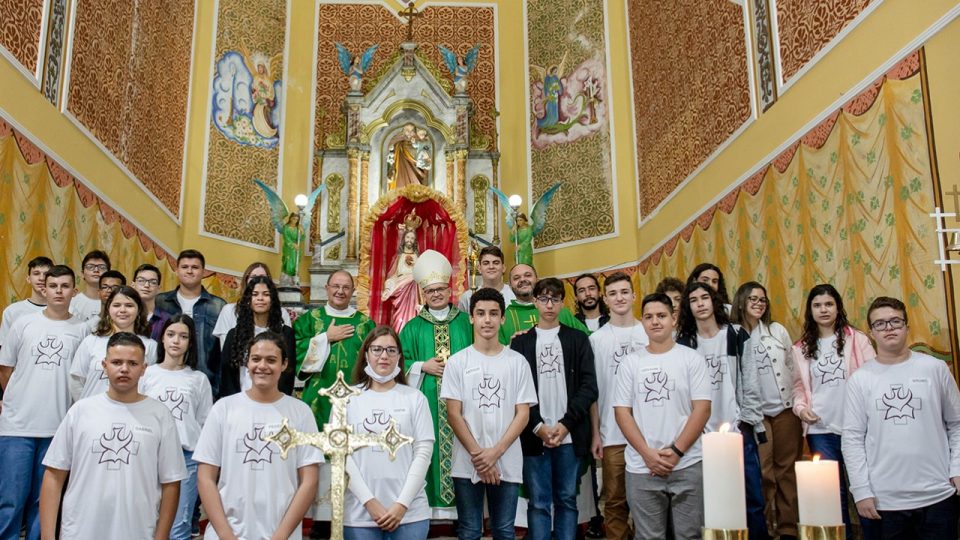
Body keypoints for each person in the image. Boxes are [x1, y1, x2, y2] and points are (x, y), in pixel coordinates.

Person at [39, 332, 187, 540]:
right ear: (104, 365)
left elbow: (171, 483)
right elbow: (54, 476)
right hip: (80, 531)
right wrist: (47, 537)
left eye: (133, 363)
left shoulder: (160, 415)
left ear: (144, 369)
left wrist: (161, 536)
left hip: (137, 531)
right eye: (117, 362)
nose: (124, 369)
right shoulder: (81, 411)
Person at [843, 297, 960, 540]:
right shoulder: (860, 380)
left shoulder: (935, 369)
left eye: (895, 321)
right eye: (880, 324)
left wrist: (958, 468)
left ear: (907, 326)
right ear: (871, 333)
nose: (889, 328)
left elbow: (957, 423)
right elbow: (852, 439)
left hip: (938, 495)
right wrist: (861, 491)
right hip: (884, 501)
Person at [195, 332, 323, 540]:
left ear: (284, 364)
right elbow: (205, 477)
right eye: (256, 359)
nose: (262, 366)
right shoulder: (224, 408)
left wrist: (280, 536)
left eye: (271, 360)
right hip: (227, 532)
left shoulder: (300, 412)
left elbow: (309, 481)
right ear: (247, 362)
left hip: (282, 533)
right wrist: (226, 535)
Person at [441, 288, 538, 540]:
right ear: (471, 317)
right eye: (481, 313)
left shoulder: (517, 362)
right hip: (467, 461)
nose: (487, 320)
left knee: (505, 531)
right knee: (470, 530)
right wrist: (479, 456)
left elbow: (523, 414)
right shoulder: (457, 362)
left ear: (503, 318)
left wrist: (494, 453)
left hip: (506, 459)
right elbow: (454, 414)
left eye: (494, 314)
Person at [613, 292, 711, 540]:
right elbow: (622, 412)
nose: (655, 321)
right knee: (648, 536)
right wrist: (648, 454)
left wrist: (677, 452)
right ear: (642, 322)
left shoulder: (691, 359)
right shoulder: (630, 363)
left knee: (689, 535)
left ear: (674, 318)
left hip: (687, 461)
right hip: (642, 466)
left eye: (661, 316)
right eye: (648, 317)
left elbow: (702, 409)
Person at [677, 282, 767, 539]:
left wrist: (747, 421)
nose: (700, 303)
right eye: (693, 300)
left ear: (714, 301)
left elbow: (750, 382)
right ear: (688, 307)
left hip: (738, 429)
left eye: (705, 297)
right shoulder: (683, 343)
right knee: (710, 498)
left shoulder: (736, 334)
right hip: (699, 435)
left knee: (750, 496)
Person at [0, 265, 85, 540]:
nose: (58, 291)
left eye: (64, 286)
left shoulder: (83, 328)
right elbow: (6, 369)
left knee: (44, 501)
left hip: (57, 428)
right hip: (17, 427)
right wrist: (18, 402)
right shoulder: (23, 323)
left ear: (75, 290)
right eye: (53, 285)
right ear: (43, 289)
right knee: (11, 499)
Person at [511, 278, 598, 540]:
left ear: (562, 303)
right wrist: (538, 426)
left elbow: (589, 386)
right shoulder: (521, 344)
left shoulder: (578, 339)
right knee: (538, 503)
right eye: (544, 299)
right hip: (534, 435)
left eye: (555, 299)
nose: (549, 305)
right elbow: (517, 393)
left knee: (566, 500)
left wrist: (565, 424)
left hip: (569, 435)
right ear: (535, 302)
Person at [791, 283, 875, 538]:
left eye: (828, 304)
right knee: (832, 495)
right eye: (817, 305)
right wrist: (801, 409)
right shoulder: (801, 347)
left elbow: (874, 377)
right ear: (810, 311)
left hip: (858, 428)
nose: (823, 310)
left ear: (838, 307)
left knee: (864, 489)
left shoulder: (856, 339)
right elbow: (798, 388)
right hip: (821, 430)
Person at [399, 250, 473, 518]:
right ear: (423, 294)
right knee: (428, 452)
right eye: (431, 291)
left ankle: (466, 515)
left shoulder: (467, 322)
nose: (437, 295)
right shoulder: (412, 328)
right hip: (428, 404)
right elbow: (398, 363)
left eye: (441, 289)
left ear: (449, 289)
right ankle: (431, 514)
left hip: (466, 404)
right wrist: (421, 366)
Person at [344, 326, 435, 540]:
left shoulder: (415, 398)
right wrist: (370, 502)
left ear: (399, 357)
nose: (384, 356)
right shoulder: (347, 399)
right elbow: (341, 455)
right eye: (377, 349)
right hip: (360, 513)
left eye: (391, 350)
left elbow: (423, 453)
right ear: (366, 354)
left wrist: (401, 504)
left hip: (410, 513)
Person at [731, 282, 802, 540]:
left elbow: (792, 368)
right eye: (752, 299)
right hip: (756, 416)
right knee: (763, 472)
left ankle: (788, 529)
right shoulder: (733, 333)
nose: (759, 303)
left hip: (784, 410)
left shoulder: (776, 330)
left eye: (762, 299)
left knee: (787, 470)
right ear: (740, 302)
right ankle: (765, 526)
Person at [141, 315, 214, 540]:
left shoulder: (198, 379)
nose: (176, 341)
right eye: (171, 335)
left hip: (186, 458)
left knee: (179, 525)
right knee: (146, 519)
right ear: (161, 338)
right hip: (149, 455)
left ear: (190, 342)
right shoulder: (148, 374)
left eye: (183, 336)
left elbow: (204, 422)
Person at [588, 272, 648, 540]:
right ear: (605, 299)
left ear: (634, 295)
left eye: (624, 292)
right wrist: (596, 433)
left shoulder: (649, 333)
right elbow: (594, 391)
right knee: (614, 502)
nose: (619, 298)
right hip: (613, 434)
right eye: (613, 293)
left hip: (650, 433)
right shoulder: (597, 340)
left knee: (649, 503)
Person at [296, 270, 375, 426]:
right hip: (318, 394)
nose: (340, 291)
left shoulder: (365, 324)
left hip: (356, 395)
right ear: (327, 288)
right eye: (336, 286)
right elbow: (295, 349)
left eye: (346, 287)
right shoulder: (311, 319)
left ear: (353, 291)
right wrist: (325, 338)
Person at [155, 250, 226, 393]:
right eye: (184, 267)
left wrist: (218, 387)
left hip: (206, 383)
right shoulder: (161, 301)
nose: (189, 271)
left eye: (195, 267)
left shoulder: (219, 306)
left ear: (203, 272)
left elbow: (223, 352)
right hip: (164, 379)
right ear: (177, 270)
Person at [70, 285, 158, 401]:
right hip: (93, 414)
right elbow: (76, 380)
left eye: (129, 305)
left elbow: (151, 385)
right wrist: (87, 407)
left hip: (132, 413)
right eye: (116, 305)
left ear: (138, 310)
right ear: (108, 309)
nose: (122, 310)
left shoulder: (150, 346)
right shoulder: (91, 341)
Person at [215, 276, 295, 398]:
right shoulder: (234, 334)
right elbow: (227, 375)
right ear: (248, 300)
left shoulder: (285, 334)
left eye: (266, 294)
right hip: (240, 401)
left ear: (273, 299)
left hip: (274, 401)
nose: (260, 299)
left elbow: (288, 375)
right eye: (255, 294)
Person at [499, 264, 587, 344]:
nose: (522, 279)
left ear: (537, 280)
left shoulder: (560, 310)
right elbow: (494, 354)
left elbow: (588, 339)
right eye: (516, 278)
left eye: (528, 275)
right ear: (510, 285)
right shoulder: (504, 318)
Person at [212, 262, 291, 348]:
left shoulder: (282, 313)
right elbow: (225, 347)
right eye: (253, 277)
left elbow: (285, 347)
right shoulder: (229, 310)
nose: (257, 280)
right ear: (246, 280)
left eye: (262, 276)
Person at [0, 256, 52, 348]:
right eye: (36, 273)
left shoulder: (65, 311)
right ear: (28, 279)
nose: (41, 278)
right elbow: (5, 350)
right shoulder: (12, 311)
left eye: (46, 274)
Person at [382, 227, 421, 332]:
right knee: (399, 319)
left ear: (415, 241)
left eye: (412, 238)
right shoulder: (398, 257)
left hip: (414, 293)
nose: (409, 240)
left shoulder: (418, 257)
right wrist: (388, 289)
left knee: (414, 317)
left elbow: (422, 274)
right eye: (407, 237)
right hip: (401, 291)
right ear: (403, 239)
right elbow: (392, 276)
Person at [458, 246, 516, 313]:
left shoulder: (514, 294)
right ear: (479, 268)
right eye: (486, 263)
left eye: (496, 263)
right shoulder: (467, 297)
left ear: (503, 268)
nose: (491, 267)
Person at [69, 250, 110, 323]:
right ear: (82, 273)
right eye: (90, 267)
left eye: (102, 267)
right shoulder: (72, 301)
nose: (96, 270)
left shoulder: (115, 303)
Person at [132, 263, 171, 341]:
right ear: (133, 285)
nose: (146, 285)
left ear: (159, 288)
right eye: (141, 281)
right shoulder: (124, 314)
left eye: (153, 282)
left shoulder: (167, 319)